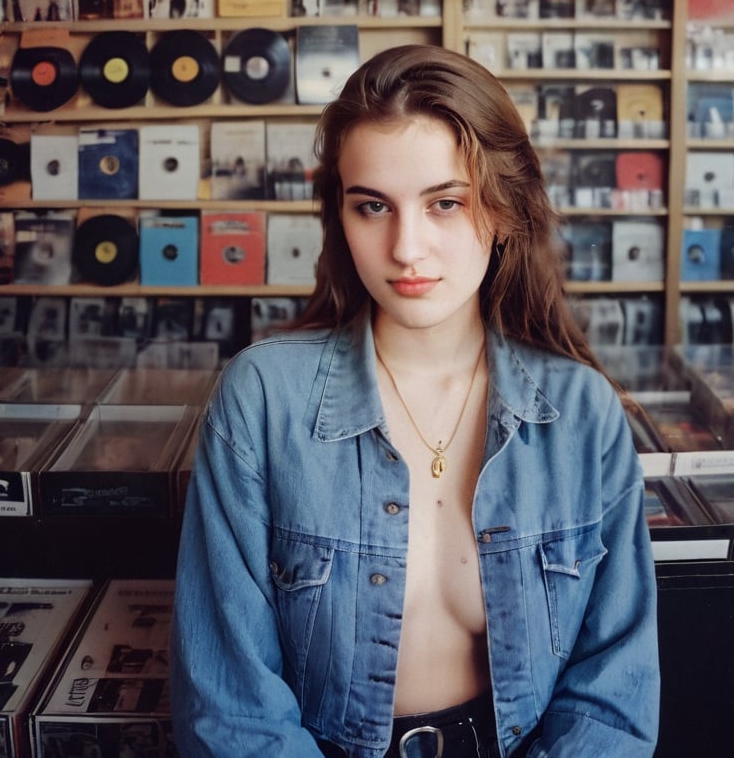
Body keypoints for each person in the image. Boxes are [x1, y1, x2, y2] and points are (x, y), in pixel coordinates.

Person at [170, 44, 660, 757]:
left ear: (504, 209)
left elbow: (613, 696)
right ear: (340, 215)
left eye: (445, 203)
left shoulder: (582, 414)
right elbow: (231, 707)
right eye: (373, 206)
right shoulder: (263, 400)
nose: (406, 247)